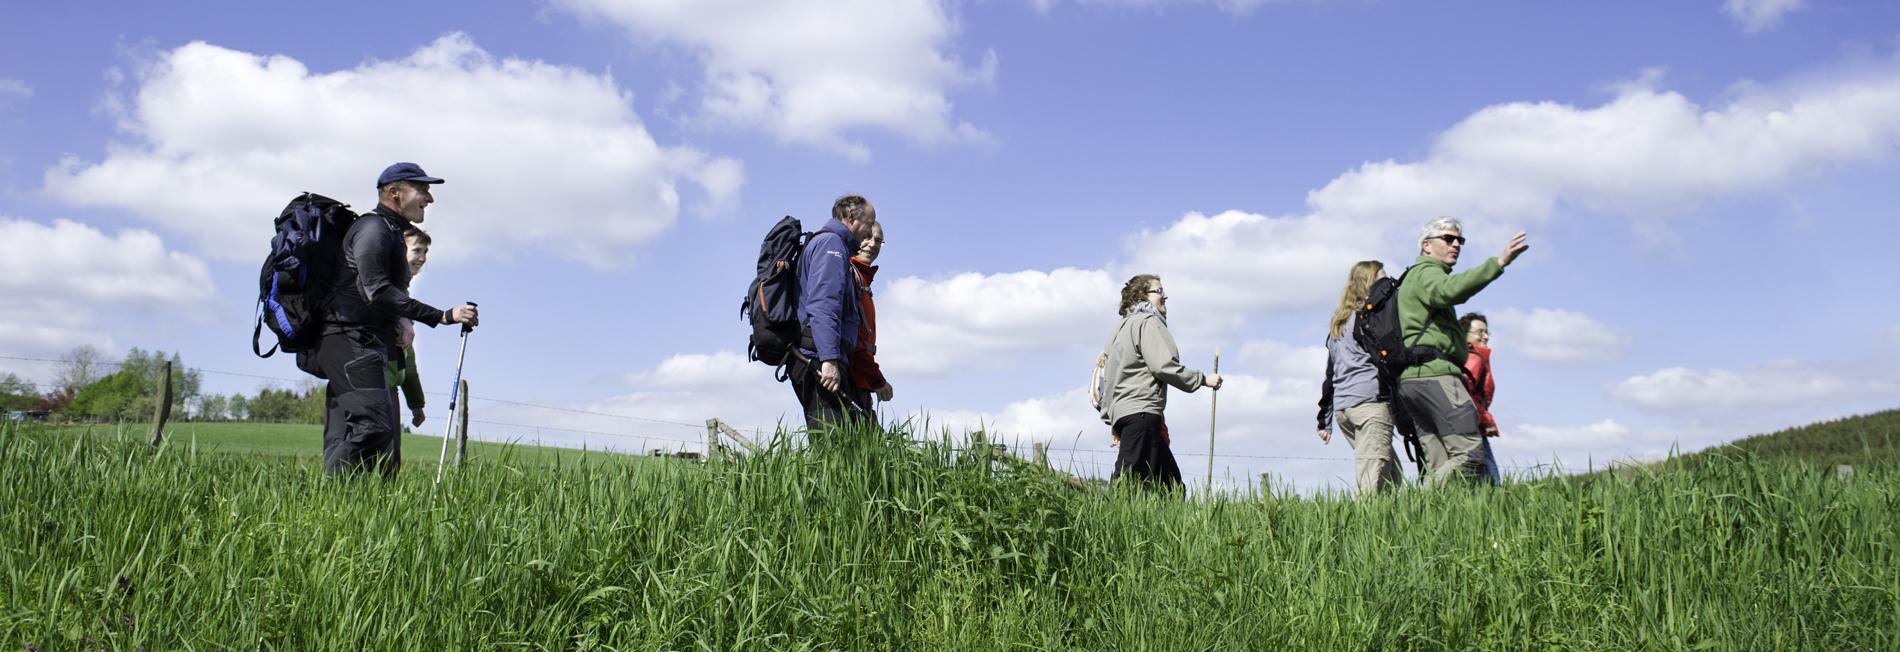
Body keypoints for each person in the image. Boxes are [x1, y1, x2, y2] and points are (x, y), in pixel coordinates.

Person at [317, 162, 478, 477]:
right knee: (375, 427)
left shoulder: (390, 232)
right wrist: (442, 316)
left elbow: (385, 290)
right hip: (347, 338)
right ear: (394, 193)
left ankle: (349, 506)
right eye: (422, 190)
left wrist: (402, 319)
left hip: (364, 340)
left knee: (363, 435)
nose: (429, 199)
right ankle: (327, 497)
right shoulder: (373, 229)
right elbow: (377, 290)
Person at [1394, 216, 1527, 486]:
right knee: (1470, 452)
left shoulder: (1412, 277)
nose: (1456, 245)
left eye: (1460, 240)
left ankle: (1431, 521)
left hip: (1412, 380)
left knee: (1439, 462)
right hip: (1436, 375)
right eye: (1448, 238)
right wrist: (1498, 263)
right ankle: (1420, 501)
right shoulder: (1427, 273)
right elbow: (1449, 291)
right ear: (1426, 245)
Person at [1096, 274, 1222, 491]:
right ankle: (1107, 521)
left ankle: (1168, 523)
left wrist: (1112, 417)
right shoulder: (1148, 322)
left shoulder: (1118, 330)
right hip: (1142, 412)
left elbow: (1109, 378)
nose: (1165, 295)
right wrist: (1203, 379)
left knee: (1170, 486)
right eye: (1159, 290)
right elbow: (1163, 365)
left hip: (1127, 415)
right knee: (1127, 481)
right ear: (1143, 296)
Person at [790, 194, 878, 434]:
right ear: (851, 216)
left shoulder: (830, 244)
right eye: (869, 224)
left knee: (848, 444)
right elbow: (823, 304)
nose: (868, 232)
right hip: (817, 360)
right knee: (832, 445)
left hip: (818, 356)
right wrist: (829, 360)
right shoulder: (832, 245)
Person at [1317, 261, 1403, 494]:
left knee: (1392, 478)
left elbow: (1330, 373)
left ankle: (1390, 527)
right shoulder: (1371, 320)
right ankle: (1366, 528)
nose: (1389, 285)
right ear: (1369, 284)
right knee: (1373, 483)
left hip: (1345, 409)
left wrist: (1324, 419)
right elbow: (1388, 360)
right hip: (1370, 406)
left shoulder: (1339, 324)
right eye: (1382, 280)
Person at [387, 228, 432, 430]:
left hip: (390, 388)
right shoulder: (383, 288)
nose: (422, 258)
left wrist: (416, 404)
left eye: (425, 252)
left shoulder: (402, 292)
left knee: (389, 457)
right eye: (417, 251)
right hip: (374, 387)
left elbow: (407, 356)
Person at [848, 222, 893, 409]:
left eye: (878, 240)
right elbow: (853, 340)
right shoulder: (848, 275)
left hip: (860, 380)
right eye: (866, 237)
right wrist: (877, 380)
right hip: (848, 378)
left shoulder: (862, 280)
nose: (872, 244)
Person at [1460, 312, 1502, 484]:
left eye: (1487, 332)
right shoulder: (1473, 358)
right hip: (1473, 426)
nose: (1485, 336)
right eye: (1479, 332)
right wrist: (1486, 420)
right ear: (1465, 335)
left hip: (1473, 424)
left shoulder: (1474, 357)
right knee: (1491, 481)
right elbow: (1465, 394)